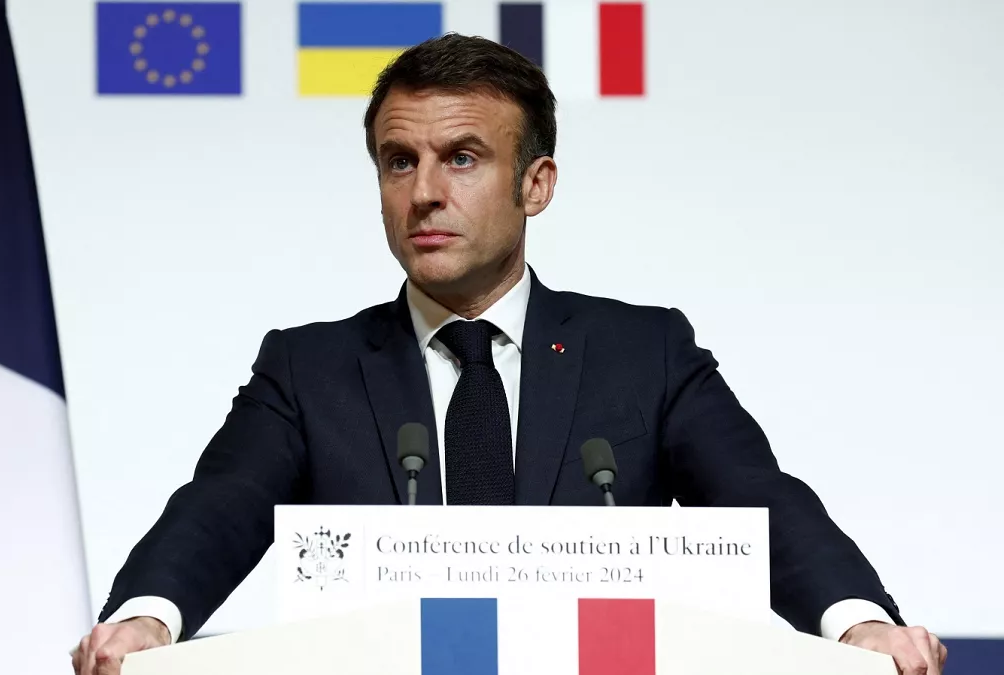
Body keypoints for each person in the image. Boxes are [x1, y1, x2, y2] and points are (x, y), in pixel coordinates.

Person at [72, 33, 946, 675]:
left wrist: (856, 625)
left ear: (536, 184)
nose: (423, 193)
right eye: (397, 160)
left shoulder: (646, 352)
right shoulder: (309, 369)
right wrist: (148, 618)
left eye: (461, 158)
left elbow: (760, 498)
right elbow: (221, 503)